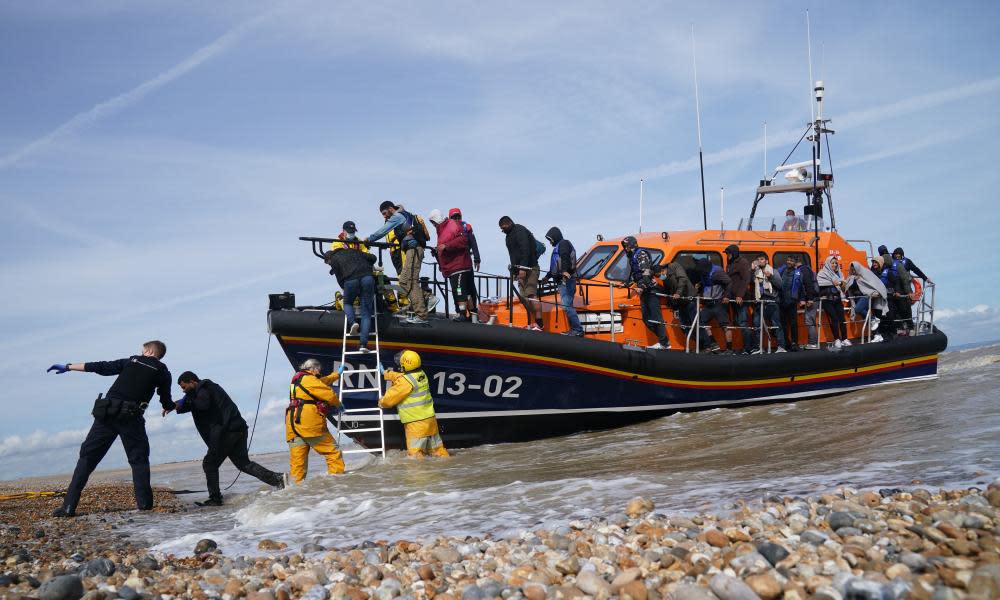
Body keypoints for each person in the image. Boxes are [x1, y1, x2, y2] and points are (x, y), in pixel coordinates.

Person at [46, 341, 174, 517]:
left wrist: (68, 367)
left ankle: (68, 507)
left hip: (107, 413)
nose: (140, 352)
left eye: (143, 349)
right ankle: (144, 506)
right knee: (139, 461)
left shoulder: (130, 361)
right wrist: (169, 406)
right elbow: (165, 397)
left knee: (87, 459)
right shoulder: (163, 372)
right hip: (132, 417)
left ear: (149, 351)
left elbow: (101, 367)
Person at [176, 372, 284, 506]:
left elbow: (201, 404)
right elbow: (191, 403)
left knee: (209, 463)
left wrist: (182, 402)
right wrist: (173, 405)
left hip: (228, 432)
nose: (183, 391)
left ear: (192, 382)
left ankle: (215, 499)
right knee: (243, 464)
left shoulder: (204, 389)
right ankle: (279, 479)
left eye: (184, 387)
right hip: (238, 429)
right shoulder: (207, 389)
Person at [366, 201, 429, 324]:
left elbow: (383, 230)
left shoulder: (397, 216)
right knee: (404, 281)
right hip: (412, 250)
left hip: (413, 250)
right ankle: (425, 296)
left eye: (384, 213)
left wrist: (369, 239)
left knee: (409, 280)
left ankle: (421, 315)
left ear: (390, 209)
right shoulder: (405, 215)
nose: (384, 216)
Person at [378, 350, 449, 457]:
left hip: (416, 424)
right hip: (430, 421)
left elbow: (390, 399)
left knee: (416, 455)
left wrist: (381, 402)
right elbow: (402, 377)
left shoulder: (405, 382)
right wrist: (386, 373)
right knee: (438, 451)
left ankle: (418, 474)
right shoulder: (421, 374)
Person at [286, 359, 344, 483]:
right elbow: (328, 394)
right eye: (319, 370)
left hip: (293, 427)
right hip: (308, 424)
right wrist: (338, 404)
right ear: (314, 369)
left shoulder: (298, 380)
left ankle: (293, 493)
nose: (319, 373)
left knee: (298, 466)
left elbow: (322, 382)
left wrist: (336, 375)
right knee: (333, 452)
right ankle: (339, 484)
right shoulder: (309, 379)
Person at [325, 225, 378, 352]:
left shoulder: (336, 257)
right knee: (366, 313)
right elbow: (372, 258)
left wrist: (344, 287)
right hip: (367, 277)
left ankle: (353, 322)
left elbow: (338, 276)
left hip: (350, 280)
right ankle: (363, 345)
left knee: (347, 302)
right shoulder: (357, 249)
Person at [620, 236, 669, 350]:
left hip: (651, 290)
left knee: (656, 317)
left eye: (627, 245)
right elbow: (635, 274)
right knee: (646, 319)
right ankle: (663, 340)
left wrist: (642, 286)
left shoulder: (641, 254)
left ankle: (664, 343)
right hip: (644, 291)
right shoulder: (632, 257)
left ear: (632, 244)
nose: (625, 247)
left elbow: (646, 272)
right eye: (624, 245)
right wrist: (627, 284)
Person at [429, 209, 477, 322]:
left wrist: (446, 246)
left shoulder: (452, 225)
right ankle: (472, 315)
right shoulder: (441, 230)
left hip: (459, 265)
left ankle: (463, 314)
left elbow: (463, 240)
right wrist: (437, 251)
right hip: (452, 267)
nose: (433, 224)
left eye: (433, 222)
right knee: (465, 292)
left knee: (460, 291)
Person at [499, 216, 543, 330]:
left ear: (508, 224)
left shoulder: (520, 230)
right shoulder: (508, 238)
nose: (502, 231)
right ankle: (532, 322)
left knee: (531, 294)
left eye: (503, 228)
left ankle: (540, 323)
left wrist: (523, 268)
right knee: (523, 297)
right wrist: (514, 272)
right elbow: (512, 256)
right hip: (520, 270)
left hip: (531, 268)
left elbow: (526, 249)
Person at [543, 227, 583, 336]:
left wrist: (565, 271)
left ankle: (577, 330)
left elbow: (565, 257)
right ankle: (574, 329)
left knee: (567, 305)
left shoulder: (563, 244)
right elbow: (555, 267)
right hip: (562, 281)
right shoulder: (559, 246)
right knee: (567, 305)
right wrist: (547, 277)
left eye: (550, 239)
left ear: (555, 237)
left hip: (567, 281)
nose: (550, 242)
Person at [748, 256, 787, 353]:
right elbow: (748, 281)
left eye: (762, 259)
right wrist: (751, 270)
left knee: (776, 324)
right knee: (757, 324)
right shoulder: (755, 272)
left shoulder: (773, 271)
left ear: (766, 261)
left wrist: (771, 277)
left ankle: (781, 346)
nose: (760, 261)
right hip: (759, 301)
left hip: (771, 301)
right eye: (758, 259)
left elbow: (780, 285)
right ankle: (759, 347)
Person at [696, 258, 733, 352]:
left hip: (719, 303)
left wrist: (726, 296)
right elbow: (707, 285)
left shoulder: (717, 272)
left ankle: (729, 349)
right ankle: (713, 343)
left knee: (725, 326)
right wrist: (699, 285)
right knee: (700, 321)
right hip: (708, 304)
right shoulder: (703, 273)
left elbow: (729, 282)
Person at [845, 260, 889, 336]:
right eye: (852, 270)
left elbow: (874, 283)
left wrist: (877, 292)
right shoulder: (851, 277)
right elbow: (849, 286)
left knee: (858, 309)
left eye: (854, 269)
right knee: (865, 316)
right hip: (857, 298)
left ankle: (873, 318)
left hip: (866, 295)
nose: (853, 271)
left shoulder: (865, 274)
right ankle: (877, 335)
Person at [723, 245, 752, 354]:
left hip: (741, 299)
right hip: (733, 299)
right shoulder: (729, 264)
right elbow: (729, 282)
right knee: (737, 323)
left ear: (734, 253)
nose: (727, 255)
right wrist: (726, 295)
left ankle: (747, 348)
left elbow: (746, 279)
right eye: (726, 254)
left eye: (729, 253)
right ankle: (739, 346)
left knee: (743, 322)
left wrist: (740, 295)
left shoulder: (742, 262)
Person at [816, 252, 849, 349]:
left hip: (838, 299)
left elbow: (843, 287)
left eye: (836, 263)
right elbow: (820, 284)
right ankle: (837, 339)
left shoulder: (840, 274)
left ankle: (845, 338)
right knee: (834, 319)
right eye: (832, 263)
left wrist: (842, 284)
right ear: (828, 263)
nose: (834, 265)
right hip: (827, 300)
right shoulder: (822, 274)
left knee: (842, 319)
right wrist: (832, 283)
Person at [659, 258, 697, 335]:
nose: (660, 277)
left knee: (695, 323)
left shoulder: (675, 267)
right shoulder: (665, 278)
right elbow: (668, 290)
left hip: (689, 299)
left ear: (663, 270)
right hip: (680, 302)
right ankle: (693, 341)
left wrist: (678, 293)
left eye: (659, 274)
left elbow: (683, 279)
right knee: (684, 325)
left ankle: (706, 344)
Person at [870, 256, 900, 342]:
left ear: (880, 263)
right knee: (879, 316)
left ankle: (893, 333)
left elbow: (896, 281)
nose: (874, 264)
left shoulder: (888, 272)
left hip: (888, 297)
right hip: (877, 298)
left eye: (876, 262)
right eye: (873, 262)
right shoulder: (872, 273)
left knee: (890, 315)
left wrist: (897, 291)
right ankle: (883, 334)